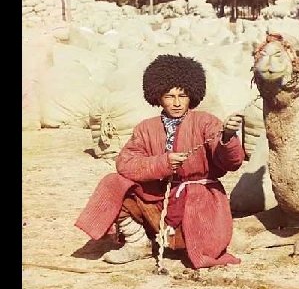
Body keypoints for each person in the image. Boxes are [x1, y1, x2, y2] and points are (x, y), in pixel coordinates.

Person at [75, 54, 245, 269]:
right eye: (169, 96)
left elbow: (232, 163)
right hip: (157, 196)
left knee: (198, 247)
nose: (176, 103)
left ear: (192, 94)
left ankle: (181, 239)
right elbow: (125, 163)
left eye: (182, 96)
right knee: (114, 183)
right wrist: (162, 163)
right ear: (157, 96)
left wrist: (228, 136)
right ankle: (137, 243)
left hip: (198, 199)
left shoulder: (206, 122)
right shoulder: (146, 128)